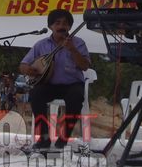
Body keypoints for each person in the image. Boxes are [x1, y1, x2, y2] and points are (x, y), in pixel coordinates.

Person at [19, 9, 90, 150]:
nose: (61, 26)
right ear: (50, 26)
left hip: (72, 84)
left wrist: (72, 49)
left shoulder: (78, 43)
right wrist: (28, 70)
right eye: (57, 23)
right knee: (35, 94)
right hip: (49, 84)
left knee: (76, 96)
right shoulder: (41, 44)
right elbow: (23, 65)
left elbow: (85, 66)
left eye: (65, 23)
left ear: (70, 27)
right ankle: (44, 138)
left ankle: (64, 137)